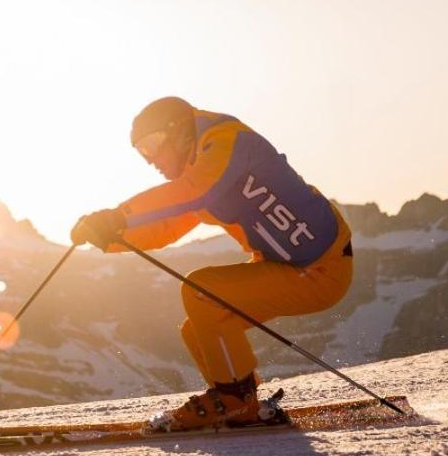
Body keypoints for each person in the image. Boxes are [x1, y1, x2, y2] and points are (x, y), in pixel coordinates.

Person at [71, 97, 354, 430]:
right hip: (292, 267)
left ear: (177, 131)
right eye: (142, 153)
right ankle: (241, 402)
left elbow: (191, 192)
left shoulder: (226, 142)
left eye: (152, 146)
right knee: (200, 326)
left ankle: (233, 401)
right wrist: (111, 235)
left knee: (202, 292)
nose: (151, 160)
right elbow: (168, 225)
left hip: (321, 268)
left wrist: (119, 216)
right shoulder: (202, 169)